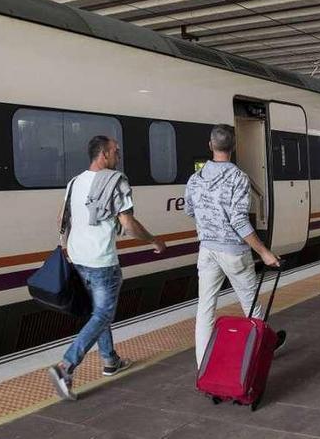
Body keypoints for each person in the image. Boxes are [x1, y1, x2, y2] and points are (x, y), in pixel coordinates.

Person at [48, 136, 167, 401]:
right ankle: (66, 366)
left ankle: (110, 360)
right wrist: (154, 240)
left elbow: (61, 218)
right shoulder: (116, 180)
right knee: (102, 313)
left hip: (78, 258)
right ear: (103, 154)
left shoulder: (74, 182)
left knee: (97, 311)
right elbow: (129, 223)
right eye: (115, 151)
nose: (119, 155)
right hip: (102, 261)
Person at [185, 125, 285, 369]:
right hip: (233, 253)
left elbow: (190, 210)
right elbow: (239, 220)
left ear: (210, 146)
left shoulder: (195, 179)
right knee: (251, 306)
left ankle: (202, 367)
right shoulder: (238, 178)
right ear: (234, 147)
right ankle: (261, 350)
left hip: (207, 251)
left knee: (205, 310)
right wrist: (265, 252)